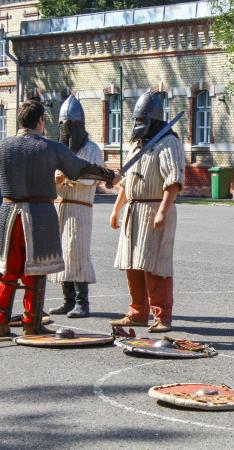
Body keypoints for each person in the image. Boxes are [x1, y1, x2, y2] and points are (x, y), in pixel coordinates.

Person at [0, 100, 117, 337]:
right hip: (38, 216)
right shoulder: (49, 147)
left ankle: (1, 322)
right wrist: (110, 175)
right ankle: (31, 322)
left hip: (8, 214)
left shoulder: (3, 146)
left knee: (8, 272)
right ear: (41, 120)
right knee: (36, 269)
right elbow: (81, 168)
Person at [109, 91, 184, 333]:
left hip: (154, 209)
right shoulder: (136, 146)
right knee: (132, 265)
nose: (139, 125)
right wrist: (116, 210)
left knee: (155, 266)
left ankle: (162, 316)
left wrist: (163, 210)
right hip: (134, 210)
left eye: (143, 120)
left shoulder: (168, 142)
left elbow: (173, 181)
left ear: (154, 120)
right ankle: (137, 313)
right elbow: (126, 184)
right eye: (136, 120)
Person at [48, 95, 105, 319]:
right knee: (62, 254)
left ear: (80, 125)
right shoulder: (57, 149)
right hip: (60, 206)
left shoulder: (91, 149)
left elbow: (91, 177)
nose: (67, 129)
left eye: (71, 125)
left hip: (80, 207)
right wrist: (57, 176)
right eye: (63, 124)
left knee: (77, 253)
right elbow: (51, 172)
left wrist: (68, 176)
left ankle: (83, 302)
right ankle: (67, 300)